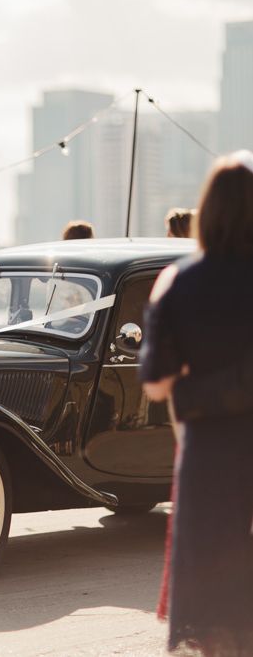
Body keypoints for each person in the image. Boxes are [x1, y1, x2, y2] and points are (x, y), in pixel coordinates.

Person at [140, 150, 253, 654]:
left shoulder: (177, 283)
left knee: (215, 614)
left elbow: (156, 385)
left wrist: (193, 389)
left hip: (210, 463)